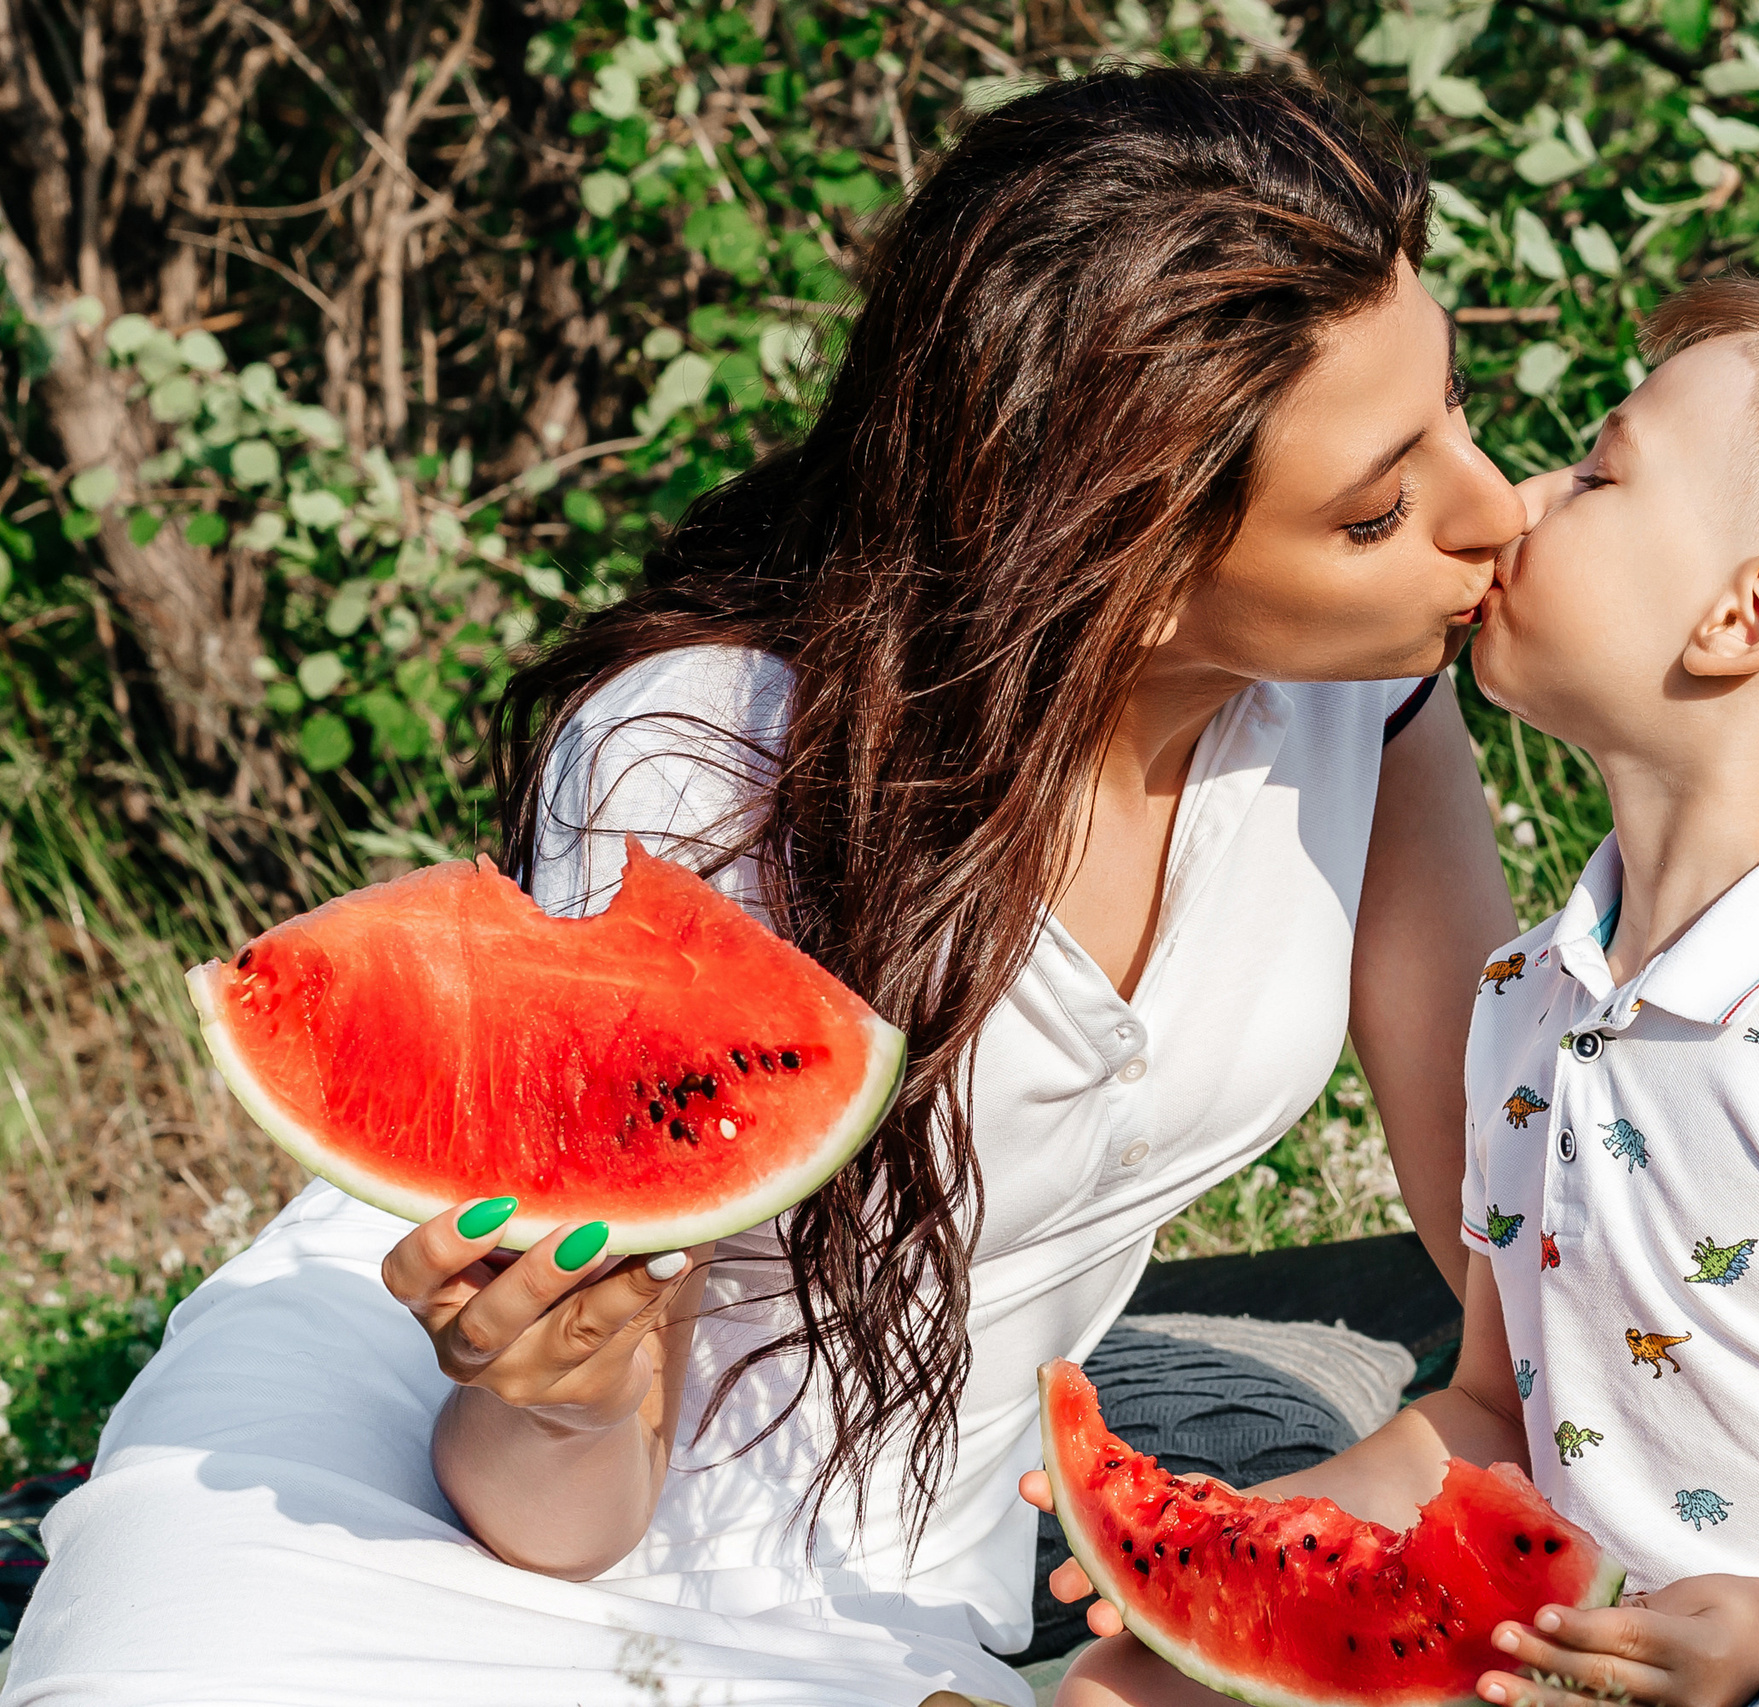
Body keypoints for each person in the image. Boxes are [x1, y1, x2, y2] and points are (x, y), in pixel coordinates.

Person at [4, 68, 1523, 1707]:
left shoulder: (1371, 696)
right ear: (1118, 562)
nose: (1493, 506)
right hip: (443, 1513)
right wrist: (556, 1385)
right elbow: (560, 1516)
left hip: (900, 1581)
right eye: (1380, 508)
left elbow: (1524, 1255)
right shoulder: (708, 768)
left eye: (1454, 407)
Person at [1038, 273, 1759, 1707]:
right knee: (1121, 1687)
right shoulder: (1530, 996)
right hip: (1578, 1645)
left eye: (1597, 471)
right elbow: (1491, 1410)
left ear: (1743, 615)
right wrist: (1239, 1537)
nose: (1516, 500)